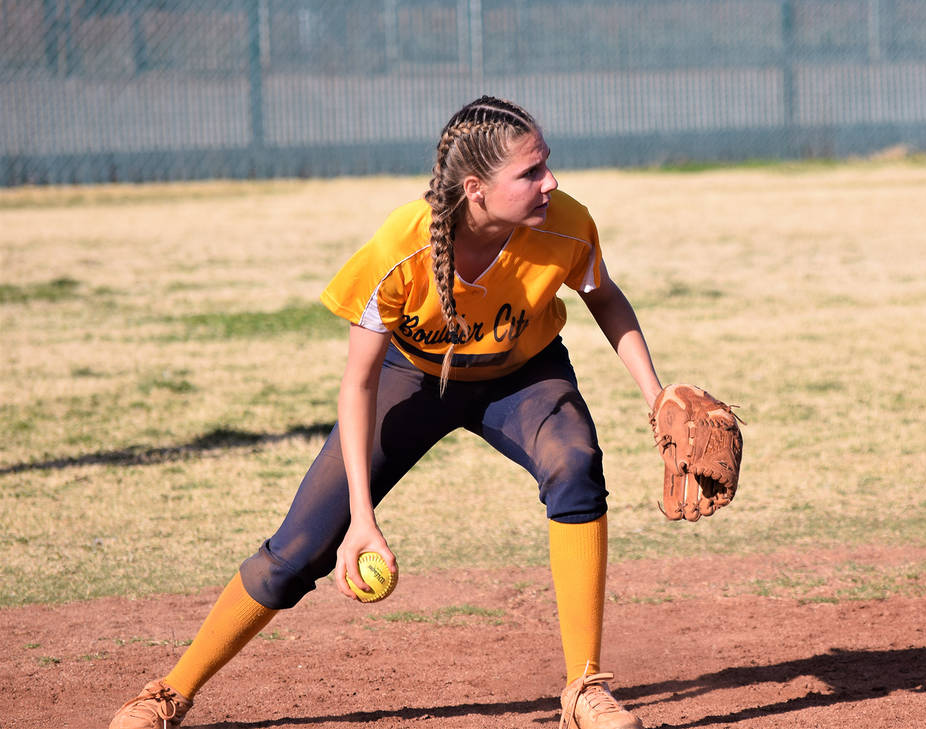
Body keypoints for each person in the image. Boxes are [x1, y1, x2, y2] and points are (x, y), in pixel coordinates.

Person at [108, 95, 663, 729]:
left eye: (548, 165)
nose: (551, 182)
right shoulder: (402, 246)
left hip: (522, 375)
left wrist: (657, 397)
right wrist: (362, 521)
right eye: (531, 172)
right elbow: (359, 382)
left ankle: (584, 689)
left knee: (575, 463)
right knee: (299, 549)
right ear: (477, 189)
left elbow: (604, 296)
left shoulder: (564, 222)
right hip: (411, 381)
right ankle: (170, 692)